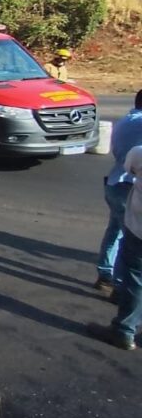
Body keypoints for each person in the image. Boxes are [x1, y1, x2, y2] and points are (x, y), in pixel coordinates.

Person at [88, 143, 142, 351]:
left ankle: (124, 331)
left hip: (138, 229)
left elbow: (130, 168)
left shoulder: (138, 153)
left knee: (135, 279)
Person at [96, 89, 142, 293]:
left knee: (115, 230)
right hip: (129, 188)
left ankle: (105, 274)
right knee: (130, 240)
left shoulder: (125, 121)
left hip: (114, 183)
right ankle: (120, 285)